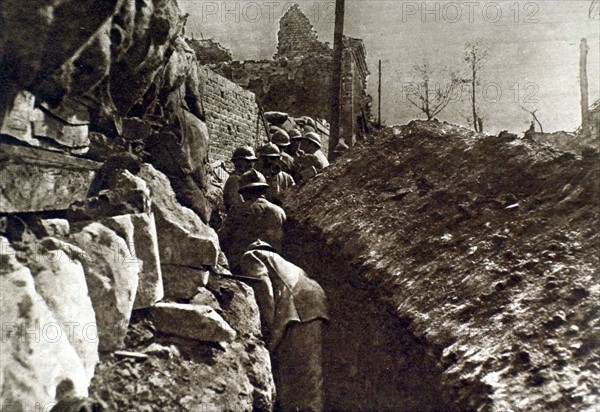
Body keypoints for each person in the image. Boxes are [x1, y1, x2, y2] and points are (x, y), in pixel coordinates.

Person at [239, 240, 329, 412]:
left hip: (299, 306)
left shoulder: (251, 256)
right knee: (310, 376)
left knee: (296, 379)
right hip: (314, 302)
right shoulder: (286, 265)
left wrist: (270, 333)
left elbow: (265, 291)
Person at [219, 169, 286, 273]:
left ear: (245, 192)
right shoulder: (280, 212)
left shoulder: (237, 209)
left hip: (242, 267)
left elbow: (224, 238)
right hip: (274, 267)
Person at [222, 146, 257, 213]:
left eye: (252, 161)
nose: (251, 164)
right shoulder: (235, 180)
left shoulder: (245, 179)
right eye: (247, 161)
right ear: (237, 162)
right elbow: (237, 206)